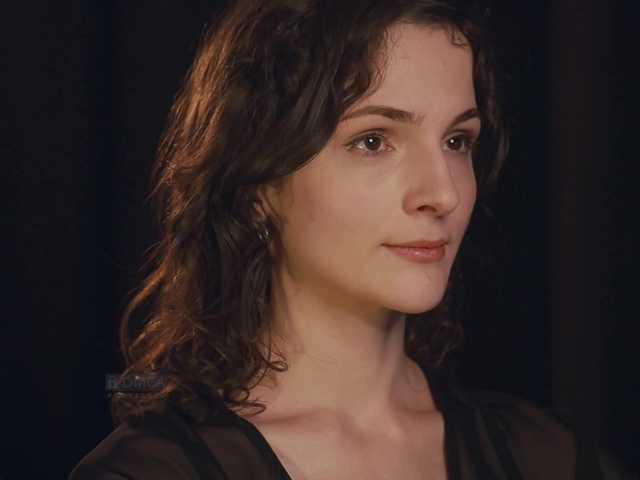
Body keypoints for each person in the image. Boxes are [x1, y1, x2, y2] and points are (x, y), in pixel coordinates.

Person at [69, 0, 636, 478]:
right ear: (258, 183)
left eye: (457, 141)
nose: (442, 193)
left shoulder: (550, 458)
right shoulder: (153, 471)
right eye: (373, 141)